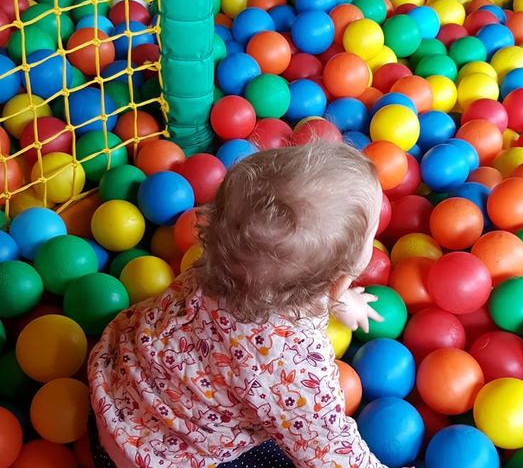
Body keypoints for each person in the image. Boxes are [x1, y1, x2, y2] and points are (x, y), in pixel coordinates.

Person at [88, 142, 393, 468]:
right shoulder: (293, 369)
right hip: (151, 458)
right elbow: (330, 449)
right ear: (339, 281)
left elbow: (296, 276)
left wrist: (339, 298)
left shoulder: (228, 260)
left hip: (110, 390)